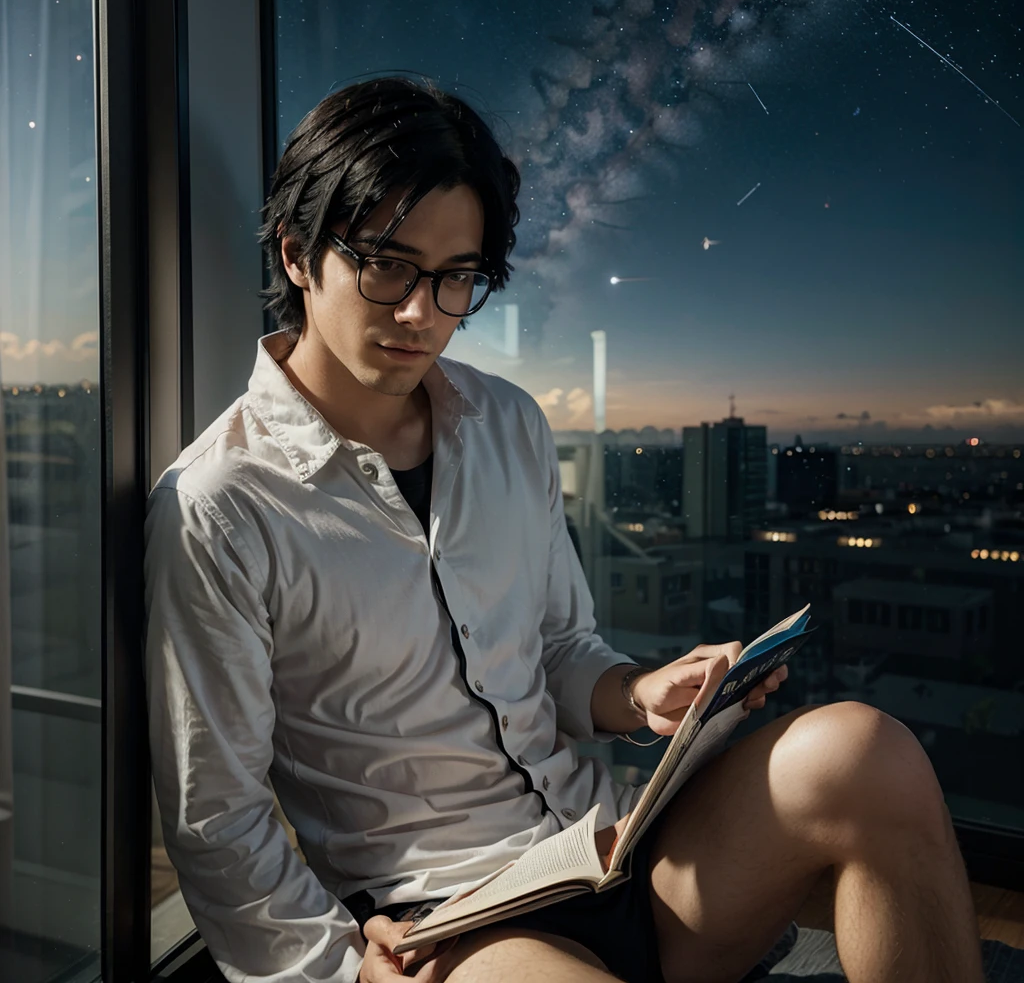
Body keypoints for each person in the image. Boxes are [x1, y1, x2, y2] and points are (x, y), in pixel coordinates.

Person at [144, 77, 985, 983]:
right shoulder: (220, 502)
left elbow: (556, 648)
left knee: (868, 753)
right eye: (387, 264)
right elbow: (215, 815)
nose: (422, 312)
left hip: (608, 844)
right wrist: (341, 971)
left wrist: (640, 694)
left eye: (456, 277)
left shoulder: (506, 423)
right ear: (299, 255)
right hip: (454, 923)